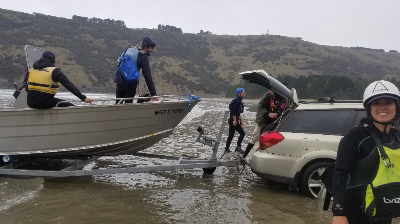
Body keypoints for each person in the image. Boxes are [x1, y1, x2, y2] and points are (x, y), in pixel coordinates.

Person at [332, 80, 400, 224]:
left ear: (396, 106)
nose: (383, 107)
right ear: (369, 108)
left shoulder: (397, 137)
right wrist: (339, 213)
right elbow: (340, 174)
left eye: (388, 102)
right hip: (356, 214)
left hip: (385, 212)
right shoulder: (356, 136)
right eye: (376, 103)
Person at [27, 51, 94, 109]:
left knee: (56, 102)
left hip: (30, 102)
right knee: (69, 106)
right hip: (44, 102)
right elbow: (68, 85)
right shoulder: (55, 71)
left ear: (42, 58)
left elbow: (28, 87)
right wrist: (84, 98)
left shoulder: (33, 69)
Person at [241, 90, 286, 159]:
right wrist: (268, 113)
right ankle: (244, 156)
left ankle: (265, 157)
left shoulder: (284, 99)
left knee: (271, 140)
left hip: (274, 122)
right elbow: (260, 107)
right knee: (255, 138)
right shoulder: (268, 96)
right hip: (263, 120)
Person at [114, 36, 158, 103]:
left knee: (118, 105)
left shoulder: (129, 50)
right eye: (151, 48)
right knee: (128, 107)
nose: (152, 50)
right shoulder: (143, 56)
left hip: (119, 83)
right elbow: (147, 76)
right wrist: (154, 94)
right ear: (145, 47)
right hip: (130, 85)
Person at [225, 88, 246, 153]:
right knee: (242, 133)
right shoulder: (237, 101)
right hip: (233, 120)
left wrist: (241, 120)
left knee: (231, 135)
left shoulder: (237, 100)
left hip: (232, 119)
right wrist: (235, 120)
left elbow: (237, 112)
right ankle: (238, 147)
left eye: (244, 93)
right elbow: (233, 111)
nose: (244, 95)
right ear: (238, 93)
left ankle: (227, 148)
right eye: (243, 93)